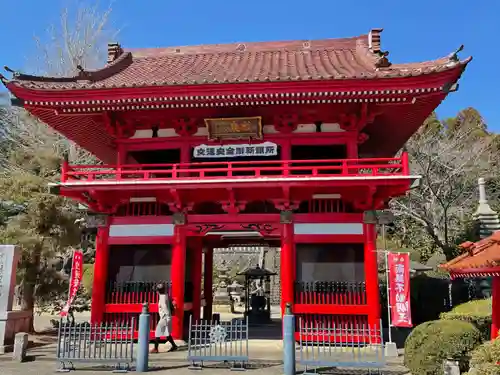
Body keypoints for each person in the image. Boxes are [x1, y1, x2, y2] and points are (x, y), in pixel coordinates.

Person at [151, 283, 178, 353]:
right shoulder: (165, 295)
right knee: (167, 333)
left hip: (164, 317)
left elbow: (164, 308)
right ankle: (174, 346)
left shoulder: (162, 298)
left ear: (158, 291)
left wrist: (165, 316)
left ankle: (155, 348)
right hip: (167, 317)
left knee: (157, 333)